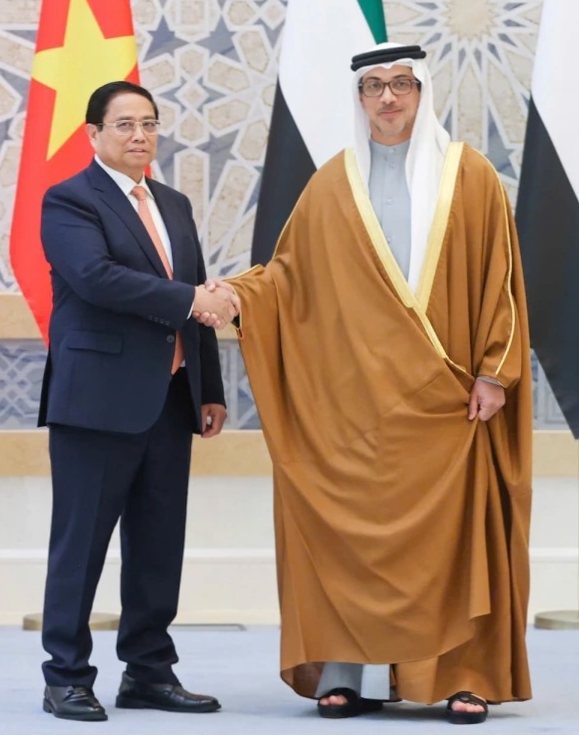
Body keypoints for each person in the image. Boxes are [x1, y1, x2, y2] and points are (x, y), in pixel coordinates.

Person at [210, 43, 533, 724]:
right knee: (350, 538)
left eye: (401, 84)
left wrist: (494, 370)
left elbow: (500, 277)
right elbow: (288, 277)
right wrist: (238, 295)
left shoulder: (469, 175)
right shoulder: (334, 183)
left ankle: (463, 675)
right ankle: (345, 672)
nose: (388, 98)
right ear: (359, 99)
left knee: (453, 544)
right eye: (375, 87)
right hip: (357, 403)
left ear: (423, 91)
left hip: (450, 400)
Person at [36, 80, 237, 722]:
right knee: (81, 545)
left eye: (148, 123)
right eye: (124, 124)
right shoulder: (70, 200)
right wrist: (191, 299)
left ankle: (149, 672)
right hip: (96, 402)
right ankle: (66, 676)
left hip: (171, 400)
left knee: (157, 545)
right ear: (93, 134)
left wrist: (208, 388)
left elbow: (193, 297)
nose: (139, 135)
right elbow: (97, 279)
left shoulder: (173, 204)